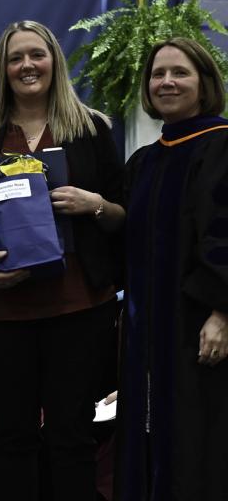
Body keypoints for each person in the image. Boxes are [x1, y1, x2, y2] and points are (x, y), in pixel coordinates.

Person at [0, 20, 124, 501]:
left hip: (79, 309)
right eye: (16, 58)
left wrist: (93, 204)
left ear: (54, 61)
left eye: (36, 55)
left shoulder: (92, 128)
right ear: (2, 68)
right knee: (11, 437)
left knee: (72, 437)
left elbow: (126, 213)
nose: (27, 66)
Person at [116, 37, 228, 501]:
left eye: (179, 72)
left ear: (204, 83)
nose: (166, 82)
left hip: (200, 331)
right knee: (148, 442)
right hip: (148, 337)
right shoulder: (145, 160)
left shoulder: (221, 146)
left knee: (199, 447)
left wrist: (222, 314)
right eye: (158, 74)